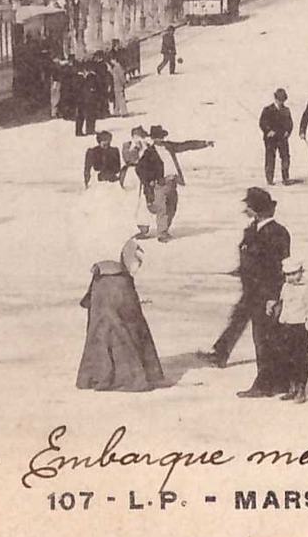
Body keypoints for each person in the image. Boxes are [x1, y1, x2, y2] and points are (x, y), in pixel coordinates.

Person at [203, 188, 292, 399]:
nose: (246, 210)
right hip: (252, 290)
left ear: (257, 210)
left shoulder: (276, 233)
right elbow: (252, 258)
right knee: (257, 332)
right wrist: (242, 270)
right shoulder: (254, 229)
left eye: (249, 207)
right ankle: (276, 381)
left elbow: (275, 267)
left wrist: (272, 297)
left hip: (266, 293)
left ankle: (266, 384)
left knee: (265, 338)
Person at [74, 188, 165, 392]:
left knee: (99, 331)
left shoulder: (89, 234)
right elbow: (134, 265)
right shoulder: (125, 237)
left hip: (99, 285)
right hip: (120, 284)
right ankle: (132, 373)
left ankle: (98, 374)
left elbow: (87, 262)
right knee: (129, 327)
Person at [135, 125, 214, 241]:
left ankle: (165, 228)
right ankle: (162, 233)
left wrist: (204, 143)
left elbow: (185, 145)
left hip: (172, 182)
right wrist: (151, 180)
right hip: (160, 184)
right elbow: (140, 168)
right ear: (153, 139)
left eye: (161, 137)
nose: (160, 140)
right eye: (157, 138)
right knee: (163, 208)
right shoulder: (149, 152)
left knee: (172, 207)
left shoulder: (169, 147)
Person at [271, 256, 308, 402]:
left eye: (294, 273)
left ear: (301, 272)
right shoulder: (285, 287)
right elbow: (283, 303)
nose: (291, 277)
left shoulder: (307, 289)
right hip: (286, 326)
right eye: (287, 274)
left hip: (300, 328)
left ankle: (301, 389)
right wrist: (280, 318)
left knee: (300, 359)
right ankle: (292, 387)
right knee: (287, 358)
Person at [259, 88, 293, 186]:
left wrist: (288, 131)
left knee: (285, 157)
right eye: (279, 100)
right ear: (275, 98)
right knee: (270, 157)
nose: (281, 102)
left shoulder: (286, 110)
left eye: (283, 100)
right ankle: (270, 179)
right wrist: (268, 131)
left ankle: (285, 178)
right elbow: (262, 122)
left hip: (282, 138)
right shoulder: (267, 109)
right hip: (270, 139)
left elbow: (290, 123)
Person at [108, 52, 129, 117]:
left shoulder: (118, 66)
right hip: (116, 85)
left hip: (118, 85)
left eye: (111, 60)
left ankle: (124, 112)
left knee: (120, 98)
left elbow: (121, 76)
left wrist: (124, 82)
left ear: (114, 59)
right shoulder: (115, 67)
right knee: (117, 99)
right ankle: (116, 111)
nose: (111, 61)